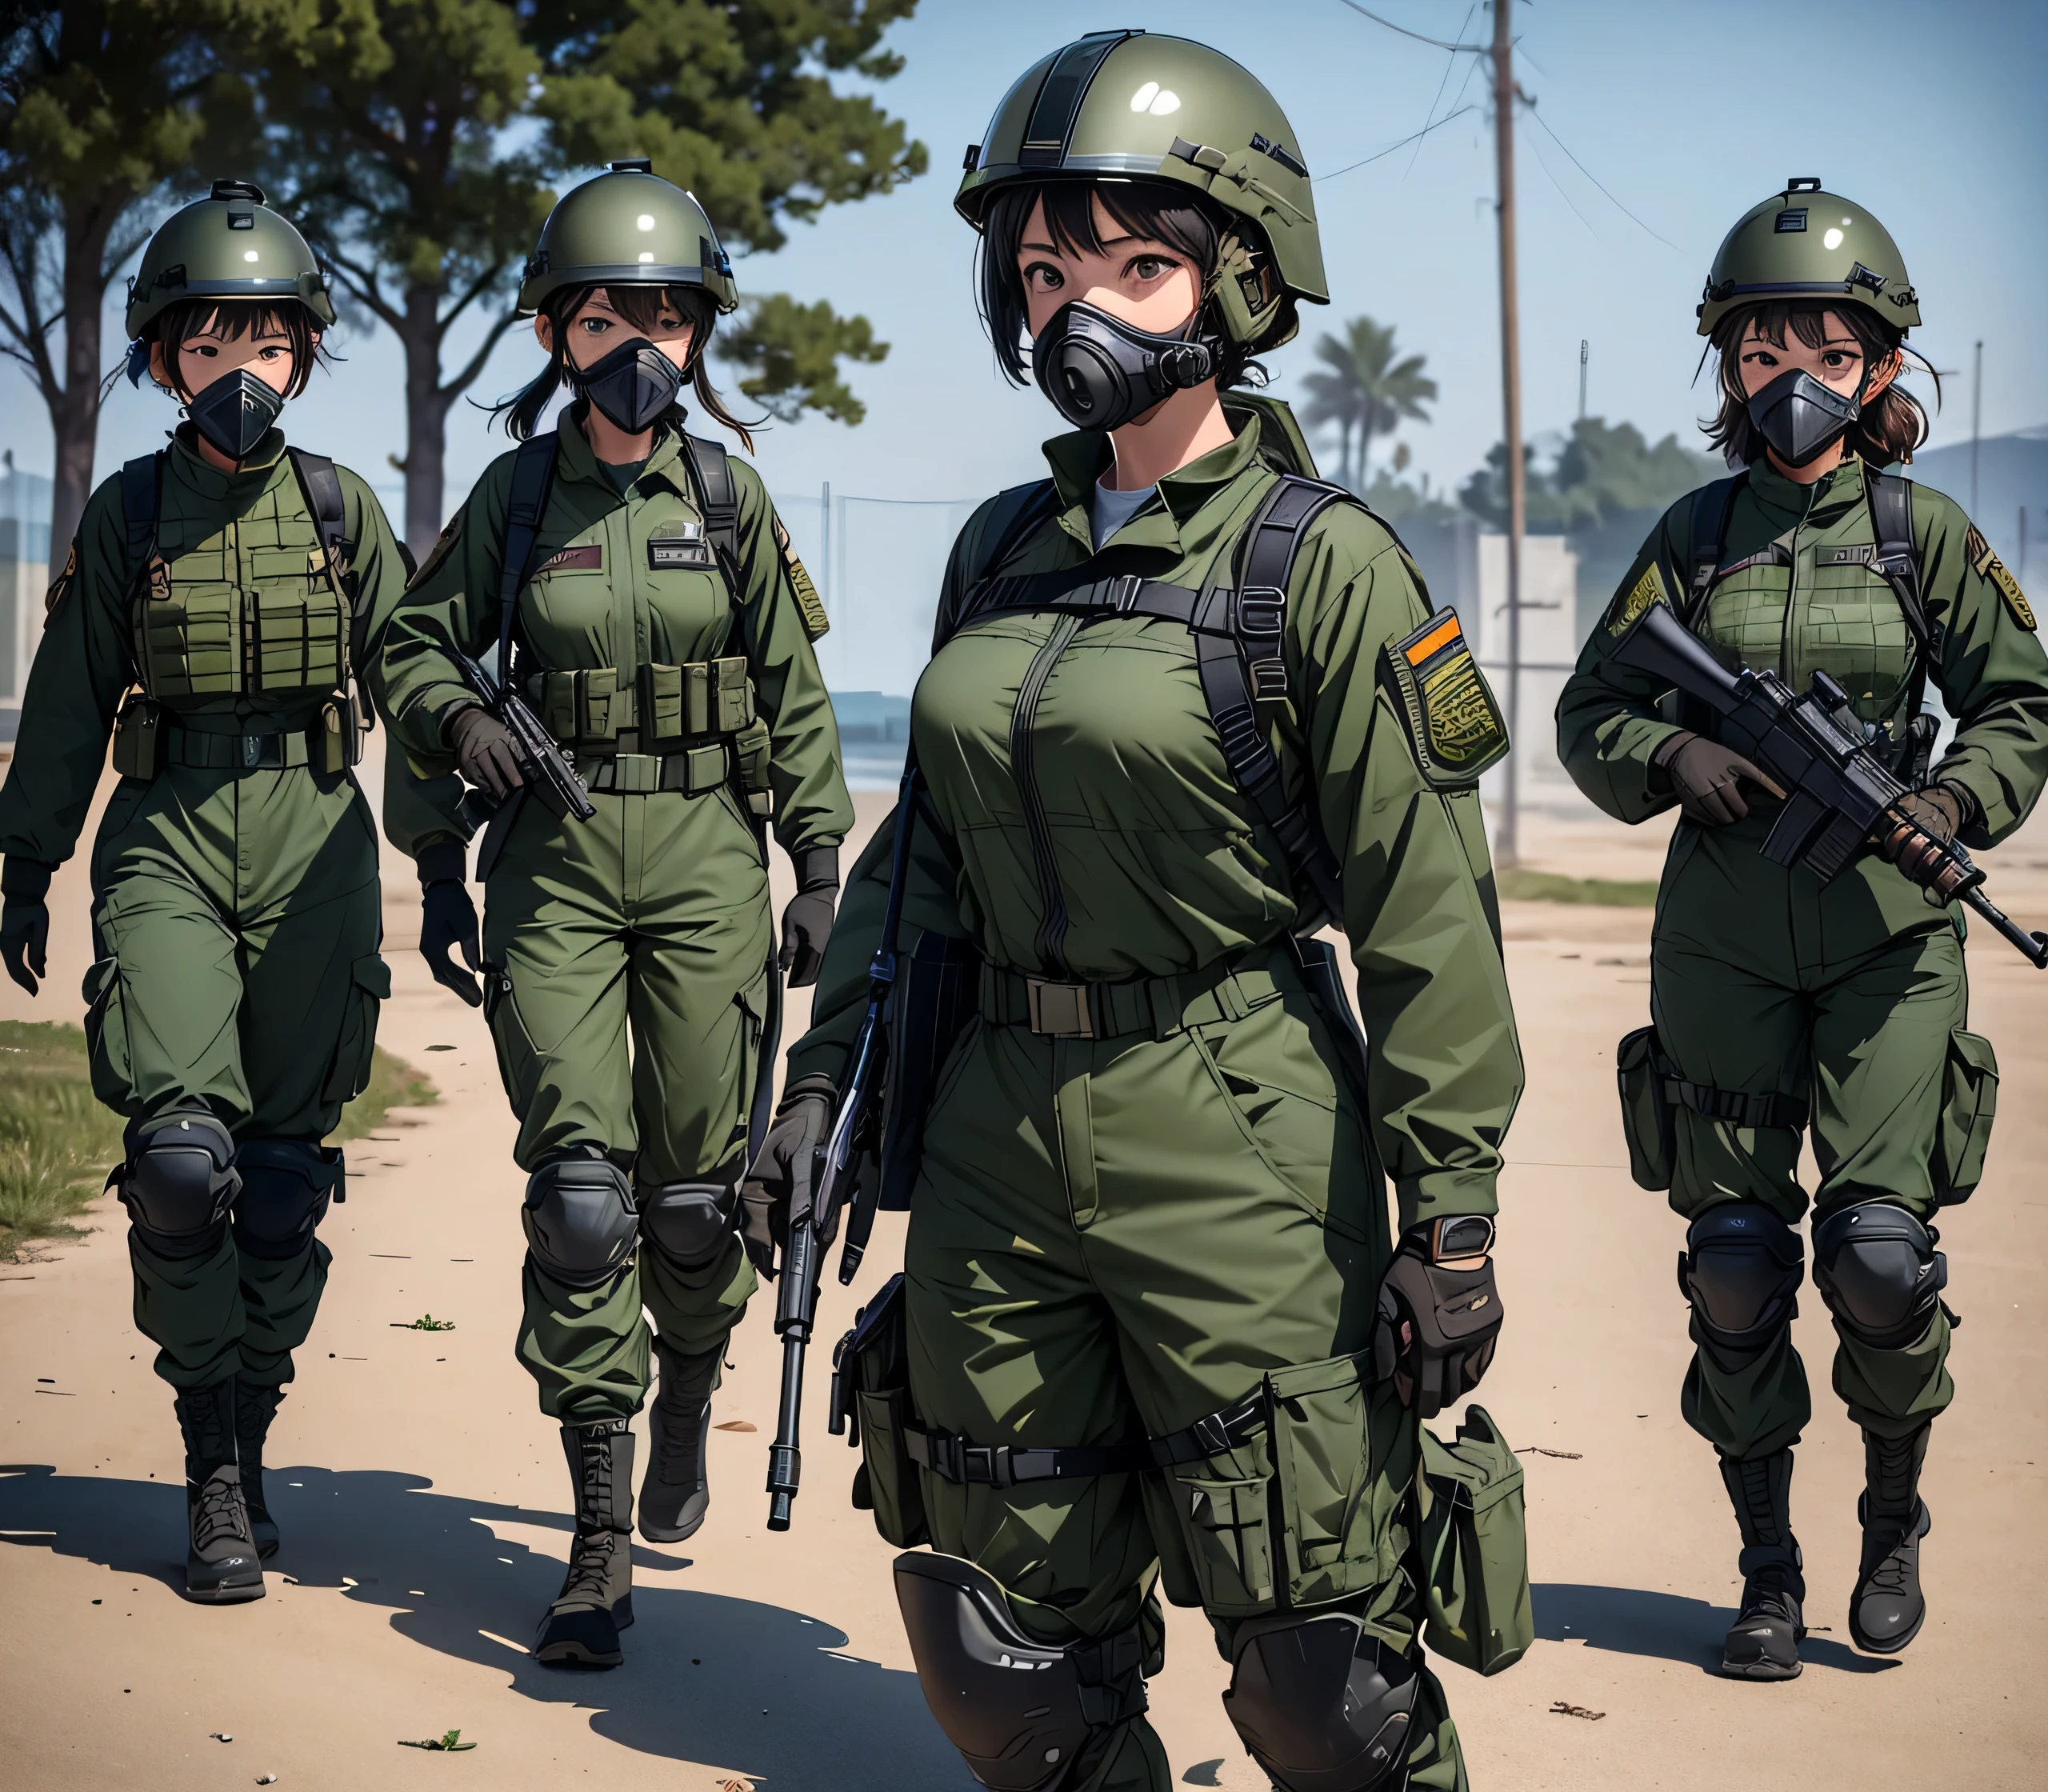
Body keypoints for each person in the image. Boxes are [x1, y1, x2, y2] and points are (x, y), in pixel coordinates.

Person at [746, 33, 1523, 1792]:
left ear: (1238, 278)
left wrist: (1452, 1209)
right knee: (1003, 1661)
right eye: (1040, 269)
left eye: (1131, 262)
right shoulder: (999, 551)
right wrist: (821, 1092)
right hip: (991, 1134)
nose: (1072, 307)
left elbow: (1425, 909)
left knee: (1324, 1682)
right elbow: (915, 858)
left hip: (1234, 1112)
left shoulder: (1321, 562)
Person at [1557, 178, 2048, 1678]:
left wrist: (1953, 807)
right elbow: (1593, 709)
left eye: (1825, 351)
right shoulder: (1692, 534)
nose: (1792, 380)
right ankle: (1766, 1566)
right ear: (1728, 366)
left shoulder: (1926, 536)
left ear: (1882, 367)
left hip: (1893, 938)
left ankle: (1888, 1517)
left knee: (1883, 1258)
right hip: (1723, 938)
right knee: (1735, 1264)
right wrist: (1673, 760)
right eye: (1762, 351)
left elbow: (2024, 711)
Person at [378, 161, 850, 1670]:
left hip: (712, 860)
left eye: (669, 314)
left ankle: (691, 1398)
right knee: (584, 1204)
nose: (643, 342)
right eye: (609, 315)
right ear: (551, 335)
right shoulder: (516, 501)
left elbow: (793, 695)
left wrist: (822, 864)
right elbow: (412, 649)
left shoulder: (728, 496)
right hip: (558, 874)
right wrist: (456, 741)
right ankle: (593, 1549)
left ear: (701, 333)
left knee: (701, 1204)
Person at [0, 182, 413, 1602]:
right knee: (183, 1168)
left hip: (317, 843)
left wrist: (456, 862)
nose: (242, 373)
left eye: (269, 344)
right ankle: (208, 1467)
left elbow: (416, 694)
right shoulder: (129, 516)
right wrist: (28, 858)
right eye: (210, 343)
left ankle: (249, 1422)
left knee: (284, 1182)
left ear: (304, 352)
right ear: (164, 354)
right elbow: (64, 699)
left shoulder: (345, 511)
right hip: (167, 834)